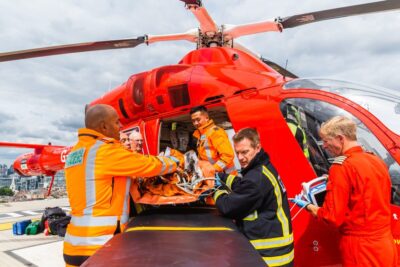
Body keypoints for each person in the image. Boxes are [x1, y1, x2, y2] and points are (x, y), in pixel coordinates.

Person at [63, 104, 178, 267]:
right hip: (99, 246)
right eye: (116, 123)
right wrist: (175, 162)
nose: (120, 127)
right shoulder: (104, 151)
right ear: (104, 126)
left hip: (74, 245)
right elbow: (149, 165)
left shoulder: (76, 152)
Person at [292, 116, 397, 267]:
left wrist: (308, 206)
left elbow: (332, 217)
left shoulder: (341, 168)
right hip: (384, 243)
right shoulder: (375, 160)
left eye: (327, 141)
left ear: (340, 139)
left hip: (360, 249)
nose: (325, 146)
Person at [213, 128, 294, 267]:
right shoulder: (263, 167)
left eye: (244, 152)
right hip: (278, 250)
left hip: (269, 257)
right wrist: (221, 177)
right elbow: (243, 185)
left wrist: (215, 189)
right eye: (237, 153)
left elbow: (227, 207)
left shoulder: (256, 179)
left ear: (257, 148)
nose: (240, 158)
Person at [190, 105, 236, 175]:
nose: (196, 123)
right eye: (193, 121)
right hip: (214, 175)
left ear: (206, 118)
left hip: (226, 176)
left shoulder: (215, 132)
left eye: (198, 119)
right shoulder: (201, 135)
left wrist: (214, 169)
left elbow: (228, 155)